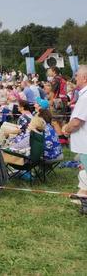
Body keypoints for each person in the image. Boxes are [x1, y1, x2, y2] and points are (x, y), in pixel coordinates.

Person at [62, 65, 87, 210]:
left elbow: (77, 122)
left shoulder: (85, 97)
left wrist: (66, 129)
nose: (75, 78)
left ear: (84, 78)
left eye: (77, 75)